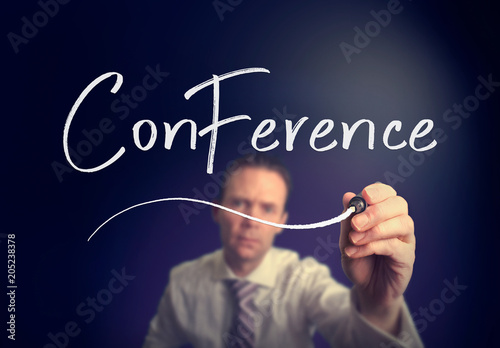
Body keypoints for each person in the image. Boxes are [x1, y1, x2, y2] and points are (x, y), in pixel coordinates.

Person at [143, 154, 423, 347]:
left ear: (281, 222)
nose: (251, 221)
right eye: (239, 203)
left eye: (267, 208)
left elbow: (352, 336)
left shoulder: (305, 278)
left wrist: (379, 306)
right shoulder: (183, 282)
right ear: (217, 211)